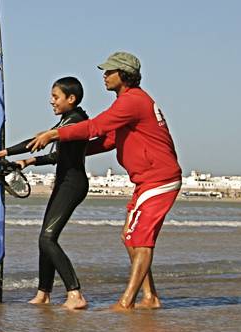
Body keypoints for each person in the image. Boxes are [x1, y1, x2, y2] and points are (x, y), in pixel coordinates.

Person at [28, 52, 182, 311]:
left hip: (159, 178)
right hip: (147, 180)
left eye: (109, 71)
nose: (104, 75)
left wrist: (55, 133)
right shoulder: (129, 103)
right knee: (130, 237)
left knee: (140, 240)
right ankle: (149, 297)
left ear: (123, 75)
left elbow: (94, 127)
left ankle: (126, 302)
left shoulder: (132, 101)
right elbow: (108, 140)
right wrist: (71, 151)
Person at [0, 77, 90, 310]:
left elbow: (37, 141)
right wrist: (28, 161)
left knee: (47, 239)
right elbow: (58, 156)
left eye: (55, 97)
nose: (51, 101)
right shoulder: (67, 120)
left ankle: (75, 293)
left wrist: (0, 153)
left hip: (73, 185)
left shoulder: (76, 121)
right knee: (45, 239)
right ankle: (43, 293)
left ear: (71, 98)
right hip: (64, 183)